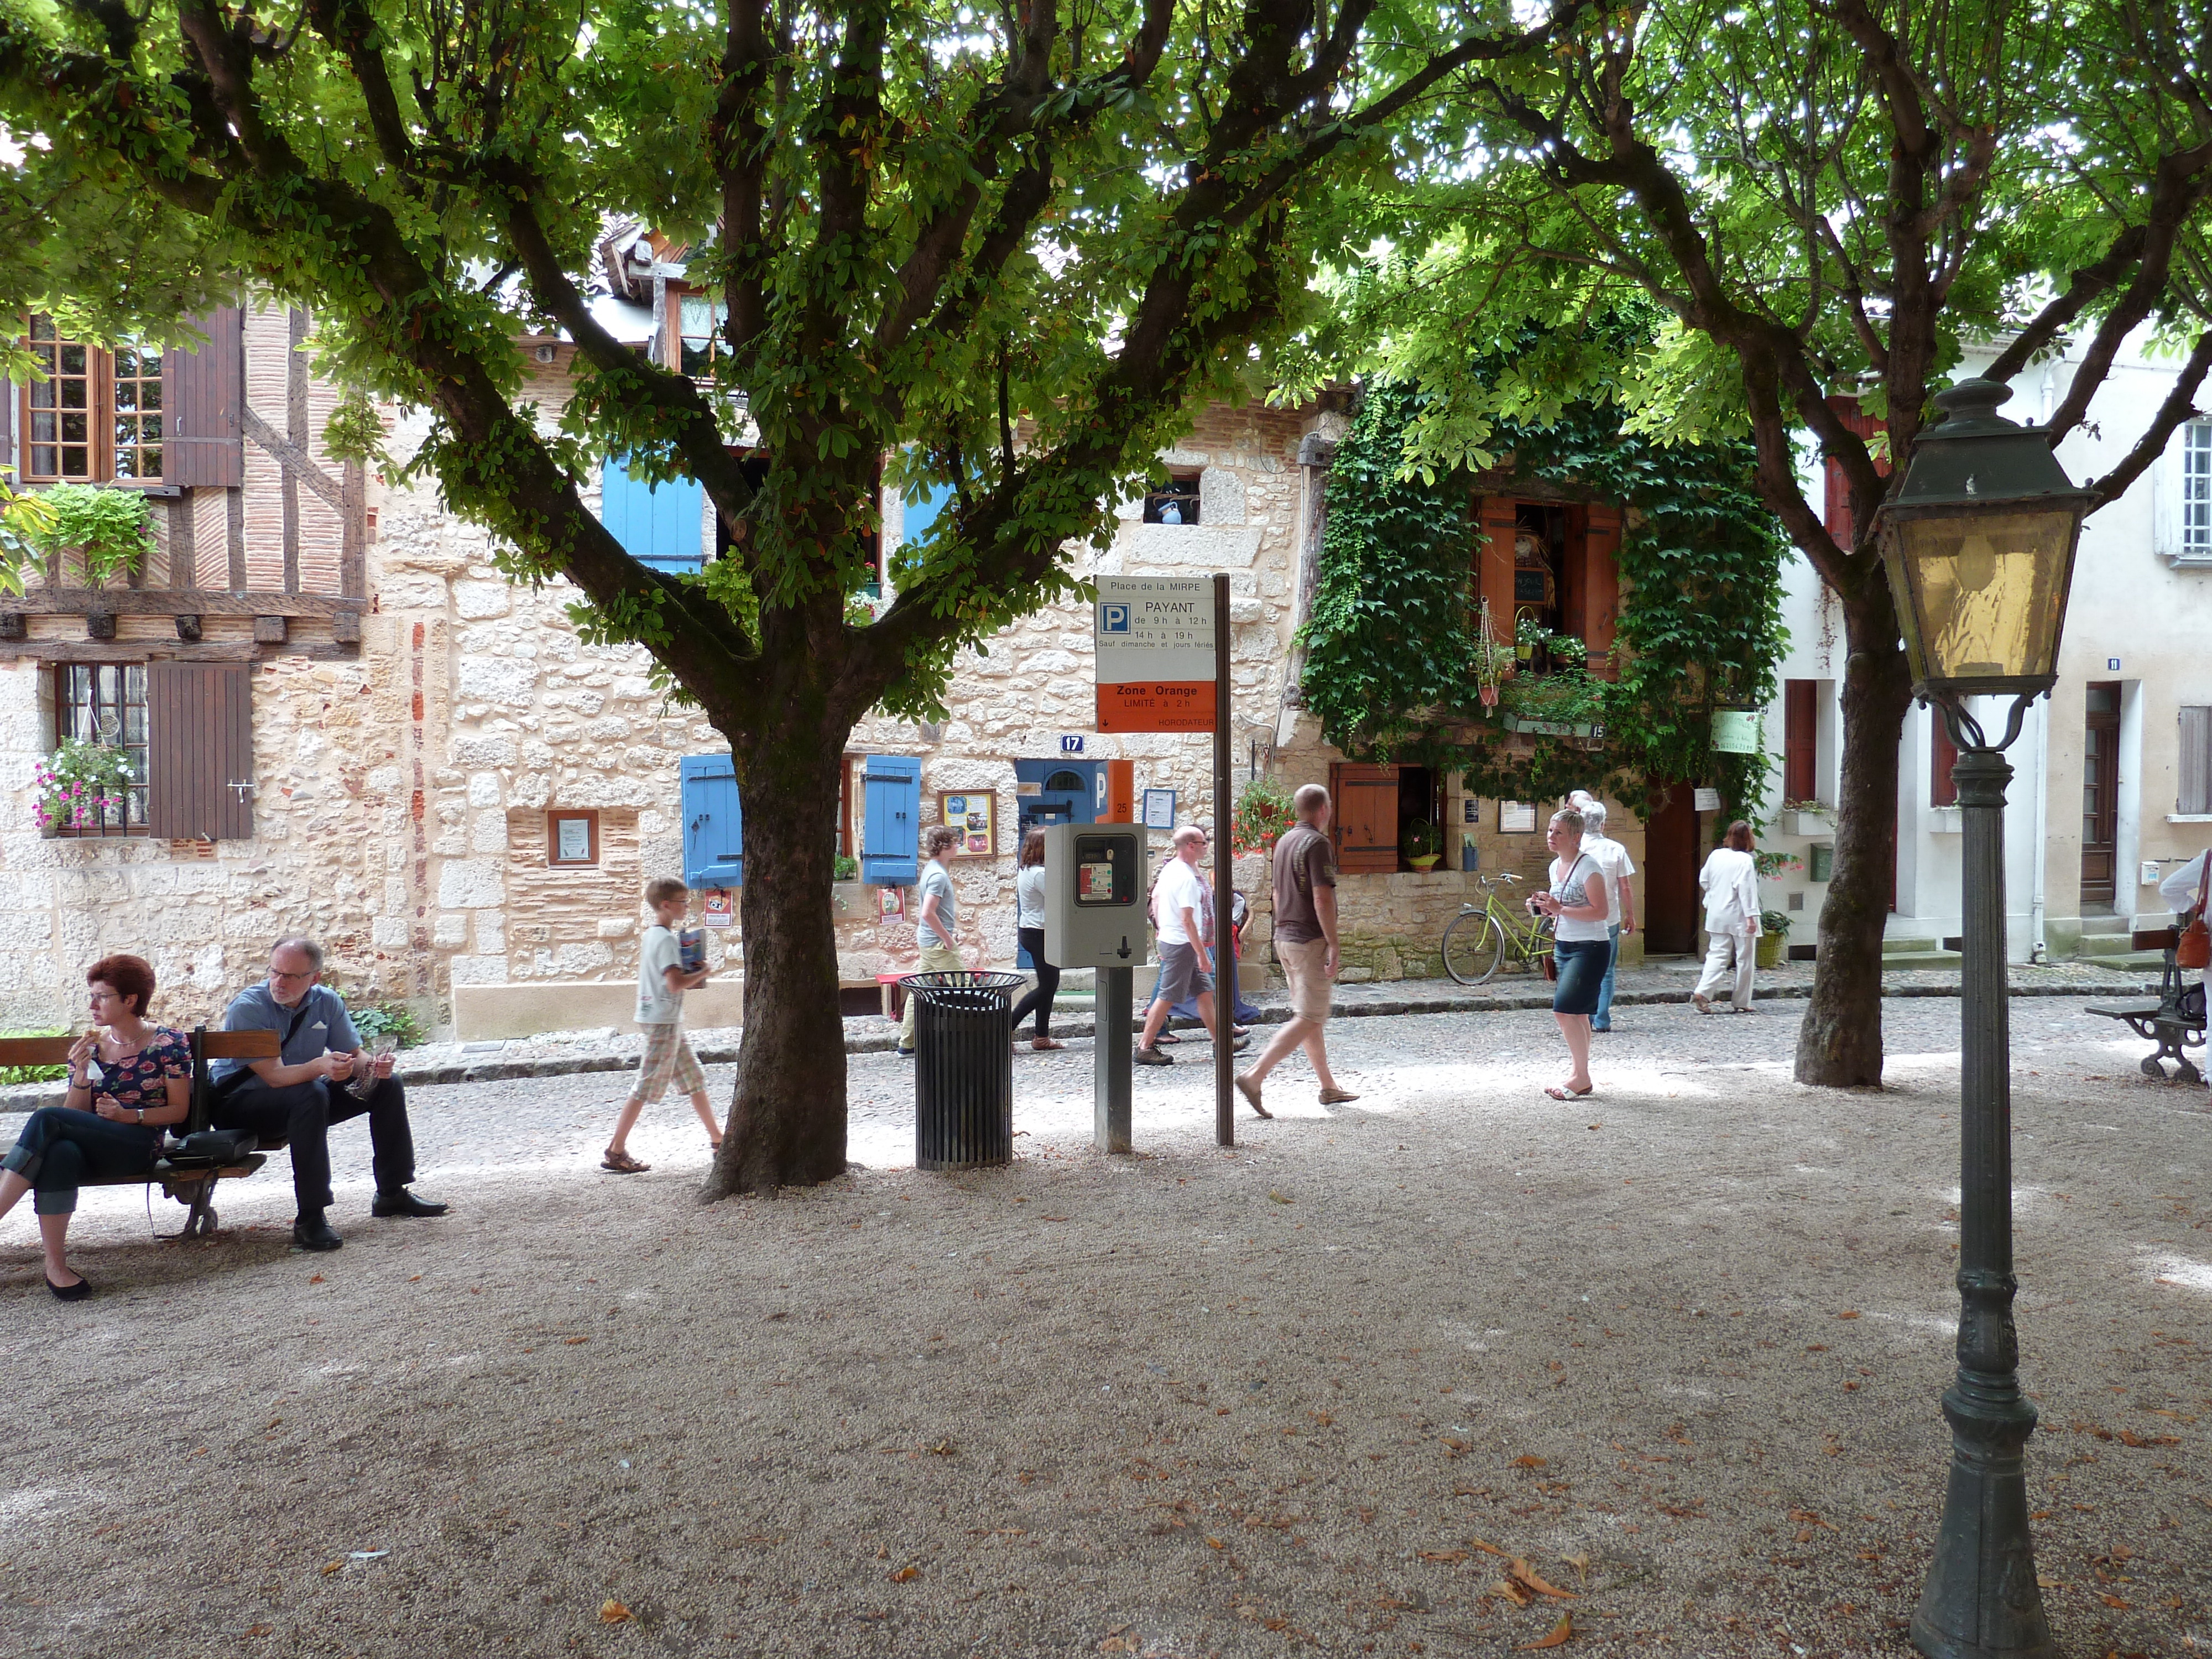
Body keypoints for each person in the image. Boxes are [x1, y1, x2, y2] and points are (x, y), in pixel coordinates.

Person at [210, 937, 446, 1253]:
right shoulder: (248, 1008)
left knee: (386, 1085)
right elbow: (274, 1077)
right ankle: (311, 1216)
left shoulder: (326, 1001)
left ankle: (392, 1193)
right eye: (274, 972)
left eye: (291, 976)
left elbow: (353, 1055)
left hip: (301, 1097)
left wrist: (374, 1068)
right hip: (241, 1105)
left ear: (314, 978)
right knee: (311, 1093)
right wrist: (320, 1066)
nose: (279, 982)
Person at [0, 956, 190, 1299]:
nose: (92, 1005)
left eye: (102, 996)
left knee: (46, 1117)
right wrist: (82, 1076)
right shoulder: (91, 1047)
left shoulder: (168, 1043)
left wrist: (128, 1115)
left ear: (130, 1000)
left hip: (137, 1145)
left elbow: (179, 1110)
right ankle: (56, 1267)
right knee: (60, 1151)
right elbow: (75, 1115)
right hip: (92, 1148)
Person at [1237, 784, 1357, 1115]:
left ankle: (1328, 1087)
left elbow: (1276, 894)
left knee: (1310, 1015)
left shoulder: (1285, 842)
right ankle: (1254, 1076)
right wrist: (1333, 942)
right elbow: (1322, 897)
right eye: (1329, 805)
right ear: (1323, 810)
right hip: (1309, 942)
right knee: (1309, 1016)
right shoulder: (1317, 843)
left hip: (1286, 938)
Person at [603, 877, 721, 1173]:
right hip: (662, 1019)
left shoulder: (653, 935)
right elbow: (674, 983)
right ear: (665, 905)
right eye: (682, 901)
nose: (687, 906)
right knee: (646, 1085)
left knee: (693, 1078)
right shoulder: (667, 939)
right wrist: (703, 972)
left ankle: (719, 1140)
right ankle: (616, 1150)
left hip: (657, 1016)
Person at [1135, 826, 1251, 1067]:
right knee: (1167, 996)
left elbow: (1155, 900)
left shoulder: (1174, 869)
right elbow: (1188, 920)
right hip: (1184, 944)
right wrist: (1202, 954)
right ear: (1191, 845)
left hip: (1176, 940)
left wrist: (1161, 930)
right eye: (1203, 842)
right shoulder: (1186, 878)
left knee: (1205, 993)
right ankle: (1145, 1047)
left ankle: (1221, 1043)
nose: (1207, 845)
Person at [1530, 806, 1610, 1100]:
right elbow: (1560, 907)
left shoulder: (1589, 867)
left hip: (1590, 947)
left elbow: (1601, 911)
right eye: (1550, 830)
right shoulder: (1555, 867)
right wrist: (1544, 907)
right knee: (1577, 1014)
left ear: (1576, 837)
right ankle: (1581, 1075)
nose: (1551, 836)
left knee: (1563, 1010)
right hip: (1564, 944)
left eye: (1558, 832)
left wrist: (1560, 908)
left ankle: (1581, 1076)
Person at [1568, 791, 1637, 1034]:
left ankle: (1584, 1016)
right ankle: (1602, 1018)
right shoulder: (1616, 849)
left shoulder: (1574, 850)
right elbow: (1625, 886)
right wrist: (1631, 914)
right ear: (1604, 823)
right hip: (1609, 918)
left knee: (1581, 968)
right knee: (1606, 971)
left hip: (1580, 917)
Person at [897, 825, 968, 1057]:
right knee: (963, 989)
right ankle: (970, 1040)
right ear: (945, 846)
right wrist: (948, 939)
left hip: (928, 941)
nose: (958, 846)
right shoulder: (938, 875)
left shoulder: (932, 869)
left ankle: (907, 1044)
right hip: (938, 944)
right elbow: (928, 913)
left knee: (920, 990)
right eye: (955, 842)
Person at [1693, 821, 1763, 1014]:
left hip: (1717, 912)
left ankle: (1703, 991)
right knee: (1745, 959)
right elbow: (1747, 890)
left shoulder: (1716, 855)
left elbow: (1704, 880)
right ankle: (1741, 1001)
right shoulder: (1745, 860)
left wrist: (1715, 894)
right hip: (1739, 914)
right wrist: (1751, 917)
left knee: (1716, 954)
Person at [1009, 830, 1065, 1051]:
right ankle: (1006, 1026)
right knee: (1048, 985)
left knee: (1048, 984)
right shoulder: (1040, 874)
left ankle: (1042, 1036)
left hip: (1032, 931)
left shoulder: (1027, 870)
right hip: (1039, 932)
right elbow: (1059, 896)